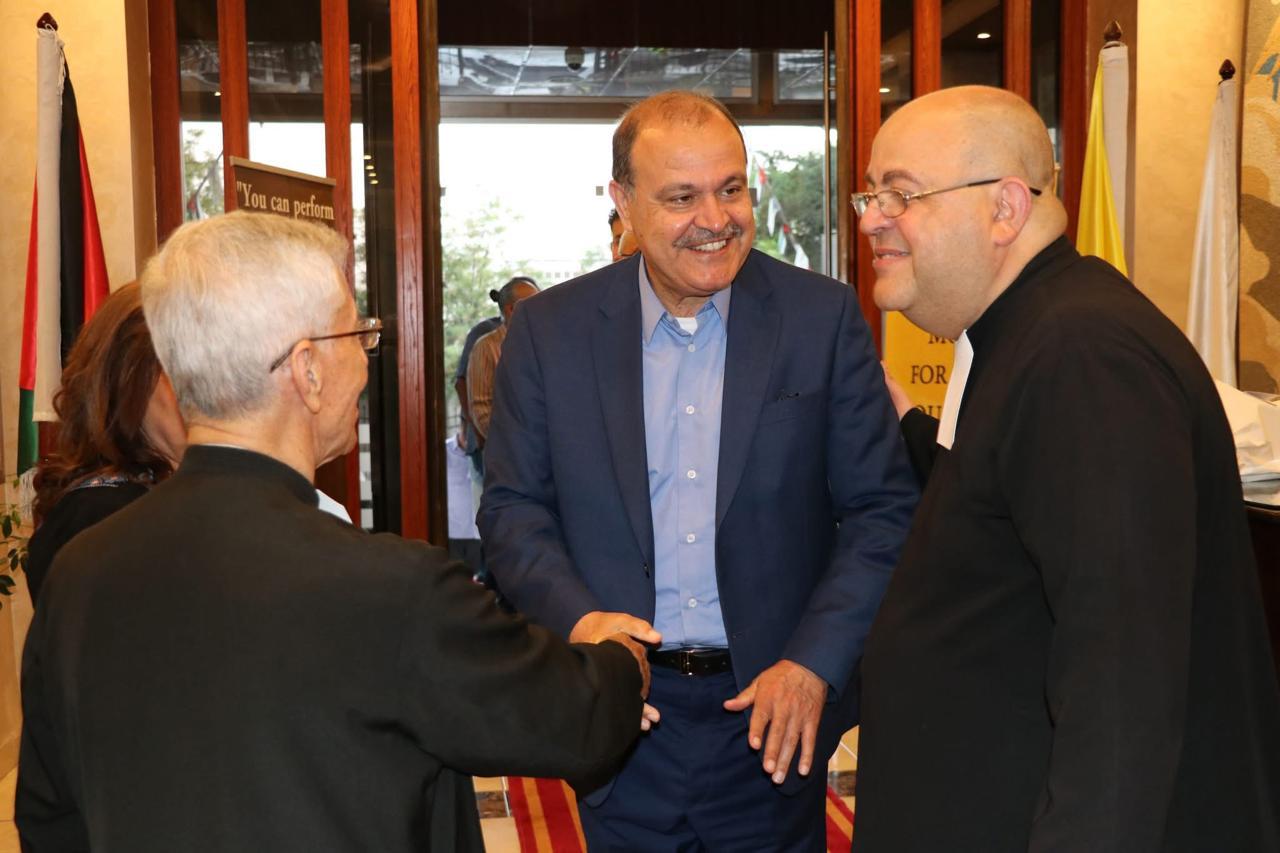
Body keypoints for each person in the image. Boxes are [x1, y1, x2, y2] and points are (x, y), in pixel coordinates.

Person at [16, 211, 650, 853]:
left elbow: (49, 820)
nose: (367, 360)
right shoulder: (391, 588)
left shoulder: (81, 571)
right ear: (308, 370)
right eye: (358, 333)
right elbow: (574, 720)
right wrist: (618, 655)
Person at [478, 90, 918, 850]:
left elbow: (882, 511)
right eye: (682, 197)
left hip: (773, 719)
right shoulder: (551, 333)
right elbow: (513, 510)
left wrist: (812, 664)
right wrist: (584, 624)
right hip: (624, 715)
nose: (715, 219)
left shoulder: (821, 318)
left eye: (731, 188)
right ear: (623, 203)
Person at [851, 85, 1280, 852]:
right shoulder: (1029, 334)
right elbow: (1000, 511)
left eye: (901, 194)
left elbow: (1120, 677)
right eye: (871, 194)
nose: (872, 219)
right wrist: (909, 430)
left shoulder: (1082, 354)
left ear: (1004, 208)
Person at [26, 282, 186, 604]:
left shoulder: (148, 495)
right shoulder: (99, 516)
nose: (200, 391)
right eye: (178, 369)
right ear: (125, 378)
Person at [465, 276, 540, 448]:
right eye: (534, 305)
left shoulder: (542, 342)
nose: (541, 310)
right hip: (507, 449)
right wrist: (509, 443)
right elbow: (481, 407)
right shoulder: (486, 346)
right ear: (511, 309)